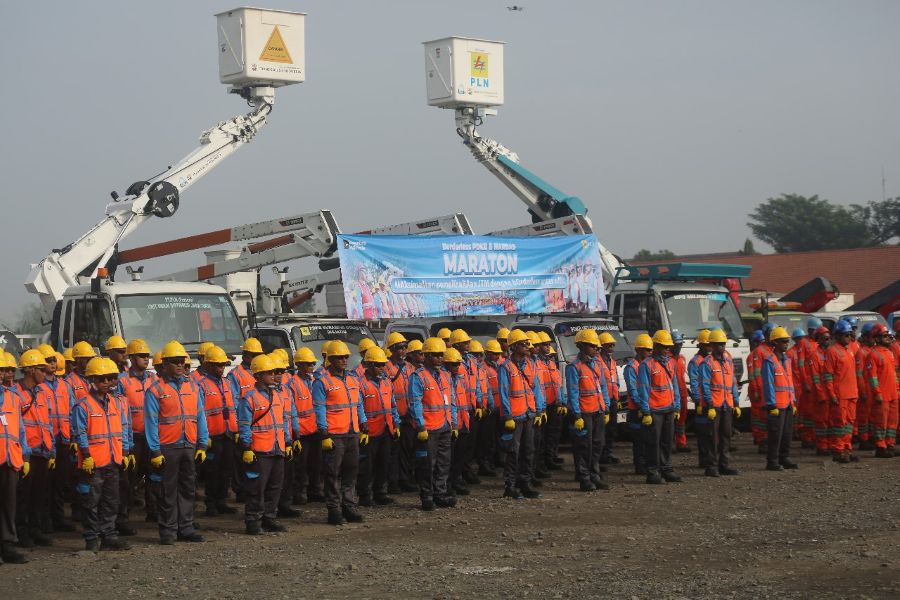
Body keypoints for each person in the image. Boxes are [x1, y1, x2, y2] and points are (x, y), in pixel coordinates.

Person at [144, 341, 208, 545]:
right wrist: (155, 451)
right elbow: (151, 422)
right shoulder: (155, 391)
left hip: (189, 445)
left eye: (183, 362)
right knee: (167, 491)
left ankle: (186, 528)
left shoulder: (193, 387)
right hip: (167, 447)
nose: (180, 365)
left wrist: (203, 444)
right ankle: (168, 531)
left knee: (188, 488)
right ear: (165, 364)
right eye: (175, 362)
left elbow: (200, 417)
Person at [73, 357, 130, 551]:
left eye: (110, 378)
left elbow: (122, 429)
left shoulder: (115, 403)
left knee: (111, 501)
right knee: (91, 502)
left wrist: (125, 452)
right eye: (102, 379)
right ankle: (91, 538)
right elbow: (79, 432)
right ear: (92, 380)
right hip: (93, 463)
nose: (107, 382)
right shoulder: (83, 405)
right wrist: (87, 455)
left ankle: (109, 536)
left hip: (113, 460)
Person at [312, 340, 367, 525]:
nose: (344, 360)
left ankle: (349, 507)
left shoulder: (352, 379)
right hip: (334, 435)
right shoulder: (322, 382)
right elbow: (319, 408)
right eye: (340, 357)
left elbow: (358, 403)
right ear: (331, 360)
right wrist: (324, 433)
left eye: (345, 357)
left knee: (351, 472)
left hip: (352, 433)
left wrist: (363, 422)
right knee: (332, 474)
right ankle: (334, 510)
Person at [237, 354, 292, 534]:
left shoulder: (277, 395)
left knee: (275, 487)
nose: (273, 375)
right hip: (260, 450)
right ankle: (253, 521)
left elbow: (283, 421)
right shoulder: (249, 398)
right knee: (257, 488)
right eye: (269, 373)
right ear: (259, 375)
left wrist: (287, 441)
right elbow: (244, 425)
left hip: (277, 448)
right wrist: (247, 447)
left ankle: (269, 518)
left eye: (274, 372)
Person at [12, 350, 55, 548]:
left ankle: (35, 530)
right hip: (26, 454)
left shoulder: (42, 392)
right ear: (29, 370)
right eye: (40, 369)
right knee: (23, 496)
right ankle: (22, 533)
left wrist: (51, 449)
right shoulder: (16, 393)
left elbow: (47, 422)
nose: (45, 373)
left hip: (42, 451)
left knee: (39, 494)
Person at [408, 338, 456, 511]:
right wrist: (420, 426)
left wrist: (454, 423)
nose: (439, 358)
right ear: (426, 356)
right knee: (428, 464)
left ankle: (440, 494)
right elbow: (415, 402)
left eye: (441, 355)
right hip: (428, 429)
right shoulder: (418, 377)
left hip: (444, 425)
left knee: (444, 462)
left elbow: (451, 401)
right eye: (435, 355)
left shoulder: (445, 375)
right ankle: (427, 496)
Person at [497, 329, 544, 499]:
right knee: (513, 452)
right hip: (515, 418)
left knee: (528, 451)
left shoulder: (530, 364)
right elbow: (503, 392)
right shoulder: (505, 367)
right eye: (524, 344)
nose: (528, 347)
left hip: (529, 414)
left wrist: (539, 410)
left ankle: (525, 483)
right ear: (514, 346)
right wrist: (508, 416)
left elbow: (536, 389)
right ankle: (510, 486)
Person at [564, 329, 611, 492]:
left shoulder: (597, 364)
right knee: (584, 447)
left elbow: (603, 387)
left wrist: (605, 408)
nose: (596, 349)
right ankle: (585, 479)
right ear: (582, 346)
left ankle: (594, 475)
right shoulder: (573, 367)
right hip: (584, 413)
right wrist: (577, 415)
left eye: (597, 347)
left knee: (598, 445)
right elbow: (573, 392)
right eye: (592, 346)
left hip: (597, 411)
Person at [196, 346, 238, 517]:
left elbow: (233, 407)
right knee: (212, 471)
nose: (222, 368)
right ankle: (211, 503)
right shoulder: (201, 386)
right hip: (213, 436)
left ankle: (222, 501)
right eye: (219, 365)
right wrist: (204, 437)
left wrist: (236, 430)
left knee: (227, 469)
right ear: (210, 365)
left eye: (223, 365)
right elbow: (200, 413)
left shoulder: (227, 383)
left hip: (227, 434)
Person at [637, 330, 682, 485]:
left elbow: (674, 385)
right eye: (663, 347)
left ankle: (666, 469)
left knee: (667, 441)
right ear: (655, 346)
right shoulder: (646, 365)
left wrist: (676, 406)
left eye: (668, 347)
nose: (666, 350)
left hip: (668, 409)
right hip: (654, 411)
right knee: (653, 443)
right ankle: (653, 472)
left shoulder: (670, 363)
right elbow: (643, 389)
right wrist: (646, 411)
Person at [38, 346, 76, 533]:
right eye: (48, 360)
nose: (52, 363)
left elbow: (71, 411)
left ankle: (58, 517)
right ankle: (44, 521)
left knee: (61, 482)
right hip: (46, 441)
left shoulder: (64, 386)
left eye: (53, 360)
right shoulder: (39, 387)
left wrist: (73, 436)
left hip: (63, 440)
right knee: (45, 483)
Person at [356, 347, 400, 506]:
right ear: (369, 364)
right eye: (379, 365)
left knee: (383, 463)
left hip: (386, 428)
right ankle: (364, 495)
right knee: (366, 465)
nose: (383, 368)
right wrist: (363, 425)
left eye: (383, 364)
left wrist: (396, 423)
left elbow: (392, 404)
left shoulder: (387, 381)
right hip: (369, 431)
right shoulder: (360, 383)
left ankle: (380, 492)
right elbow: (358, 406)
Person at [698, 329, 740, 477]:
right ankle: (711, 466)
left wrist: (736, 402)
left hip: (726, 405)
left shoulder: (728, 361)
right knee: (712, 437)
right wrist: (709, 405)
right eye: (718, 345)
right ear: (712, 346)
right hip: (714, 406)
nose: (721, 347)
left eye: (723, 344)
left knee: (726, 436)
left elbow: (732, 382)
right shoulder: (707, 363)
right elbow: (705, 385)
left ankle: (724, 465)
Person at [0, 352, 29, 564]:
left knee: (9, 504)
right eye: (1, 370)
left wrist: (25, 455)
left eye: (5, 370)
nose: (4, 374)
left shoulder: (13, 397)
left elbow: (20, 429)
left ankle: (7, 545)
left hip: (10, 458)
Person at [287, 347, 324, 505]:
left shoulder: (314, 381)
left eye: (313, 363)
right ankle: (299, 493)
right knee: (300, 466)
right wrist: (295, 433)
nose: (312, 366)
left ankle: (315, 490)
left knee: (316, 463)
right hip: (301, 432)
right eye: (309, 364)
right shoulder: (292, 384)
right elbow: (292, 410)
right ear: (299, 365)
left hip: (315, 430)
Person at [383, 333, 417, 493]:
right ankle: (393, 482)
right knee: (393, 452)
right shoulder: (386, 367)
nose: (403, 350)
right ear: (391, 349)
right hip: (393, 417)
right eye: (399, 348)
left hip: (408, 415)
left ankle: (405, 479)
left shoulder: (410, 367)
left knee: (408, 449)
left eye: (405, 347)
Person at [762, 327, 798, 471]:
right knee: (775, 435)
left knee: (787, 434)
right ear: (775, 343)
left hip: (788, 404)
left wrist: (793, 400)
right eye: (783, 341)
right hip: (777, 405)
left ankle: (785, 457)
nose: (786, 344)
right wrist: (772, 404)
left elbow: (790, 382)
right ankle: (772, 461)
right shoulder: (769, 361)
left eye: (787, 341)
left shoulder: (787, 360)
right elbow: (768, 384)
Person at [823, 320, 859, 463]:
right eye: (846, 335)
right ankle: (838, 451)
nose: (849, 337)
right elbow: (827, 375)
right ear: (837, 336)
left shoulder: (849, 350)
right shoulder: (832, 351)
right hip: (840, 395)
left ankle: (846, 449)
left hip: (851, 394)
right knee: (839, 424)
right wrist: (831, 394)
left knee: (849, 424)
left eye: (850, 334)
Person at [866, 324, 898, 458]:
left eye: (889, 335)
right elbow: (872, 377)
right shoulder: (872, 355)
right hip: (882, 395)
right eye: (885, 336)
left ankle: (889, 444)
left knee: (892, 422)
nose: (889, 338)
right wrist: (877, 393)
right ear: (877, 338)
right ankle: (880, 447)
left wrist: (897, 390)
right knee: (880, 422)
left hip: (892, 394)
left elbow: (894, 374)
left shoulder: (889, 353)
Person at [625, 333, 652, 474]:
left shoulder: (648, 365)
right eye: (647, 350)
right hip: (637, 410)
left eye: (651, 350)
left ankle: (648, 463)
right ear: (639, 350)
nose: (650, 353)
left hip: (648, 408)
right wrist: (642, 406)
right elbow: (633, 390)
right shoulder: (631, 367)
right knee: (639, 440)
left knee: (649, 439)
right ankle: (640, 466)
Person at [537, 333, 564, 471]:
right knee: (542, 436)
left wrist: (561, 401)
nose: (548, 347)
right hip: (543, 405)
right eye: (545, 344)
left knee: (553, 433)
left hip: (553, 403)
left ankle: (550, 457)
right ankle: (542, 462)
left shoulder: (551, 363)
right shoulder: (537, 363)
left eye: (549, 344)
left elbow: (558, 383)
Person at [688, 330, 712, 467]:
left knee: (712, 433)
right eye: (707, 345)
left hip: (712, 401)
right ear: (701, 346)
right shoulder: (695, 362)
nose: (710, 348)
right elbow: (694, 383)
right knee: (703, 433)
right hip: (702, 403)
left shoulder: (711, 360)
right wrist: (698, 401)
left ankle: (712, 458)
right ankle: (704, 460)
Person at [597, 332, 621, 465]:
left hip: (613, 399)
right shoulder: (598, 362)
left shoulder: (612, 361)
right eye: (609, 344)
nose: (612, 346)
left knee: (612, 428)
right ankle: (600, 455)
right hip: (602, 400)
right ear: (602, 346)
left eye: (613, 344)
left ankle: (608, 453)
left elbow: (615, 380)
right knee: (602, 430)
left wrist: (616, 397)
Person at [808, 326, 833, 455]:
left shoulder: (830, 353)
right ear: (818, 339)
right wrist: (821, 394)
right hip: (820, 395)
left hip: (831, 394)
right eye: (824, 339)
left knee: (830, 421)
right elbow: (815, 377)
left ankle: (829, 444)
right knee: (821, 421)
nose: (827, 341)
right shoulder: (815, 355)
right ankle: (822, 446)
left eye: (829, 338)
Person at [228, 338, 265, 403]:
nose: (257, 358)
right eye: (254, 355)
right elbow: (233, 400)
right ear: (245, 355)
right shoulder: (234, 374)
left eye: (258, 355)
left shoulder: (264, 372)